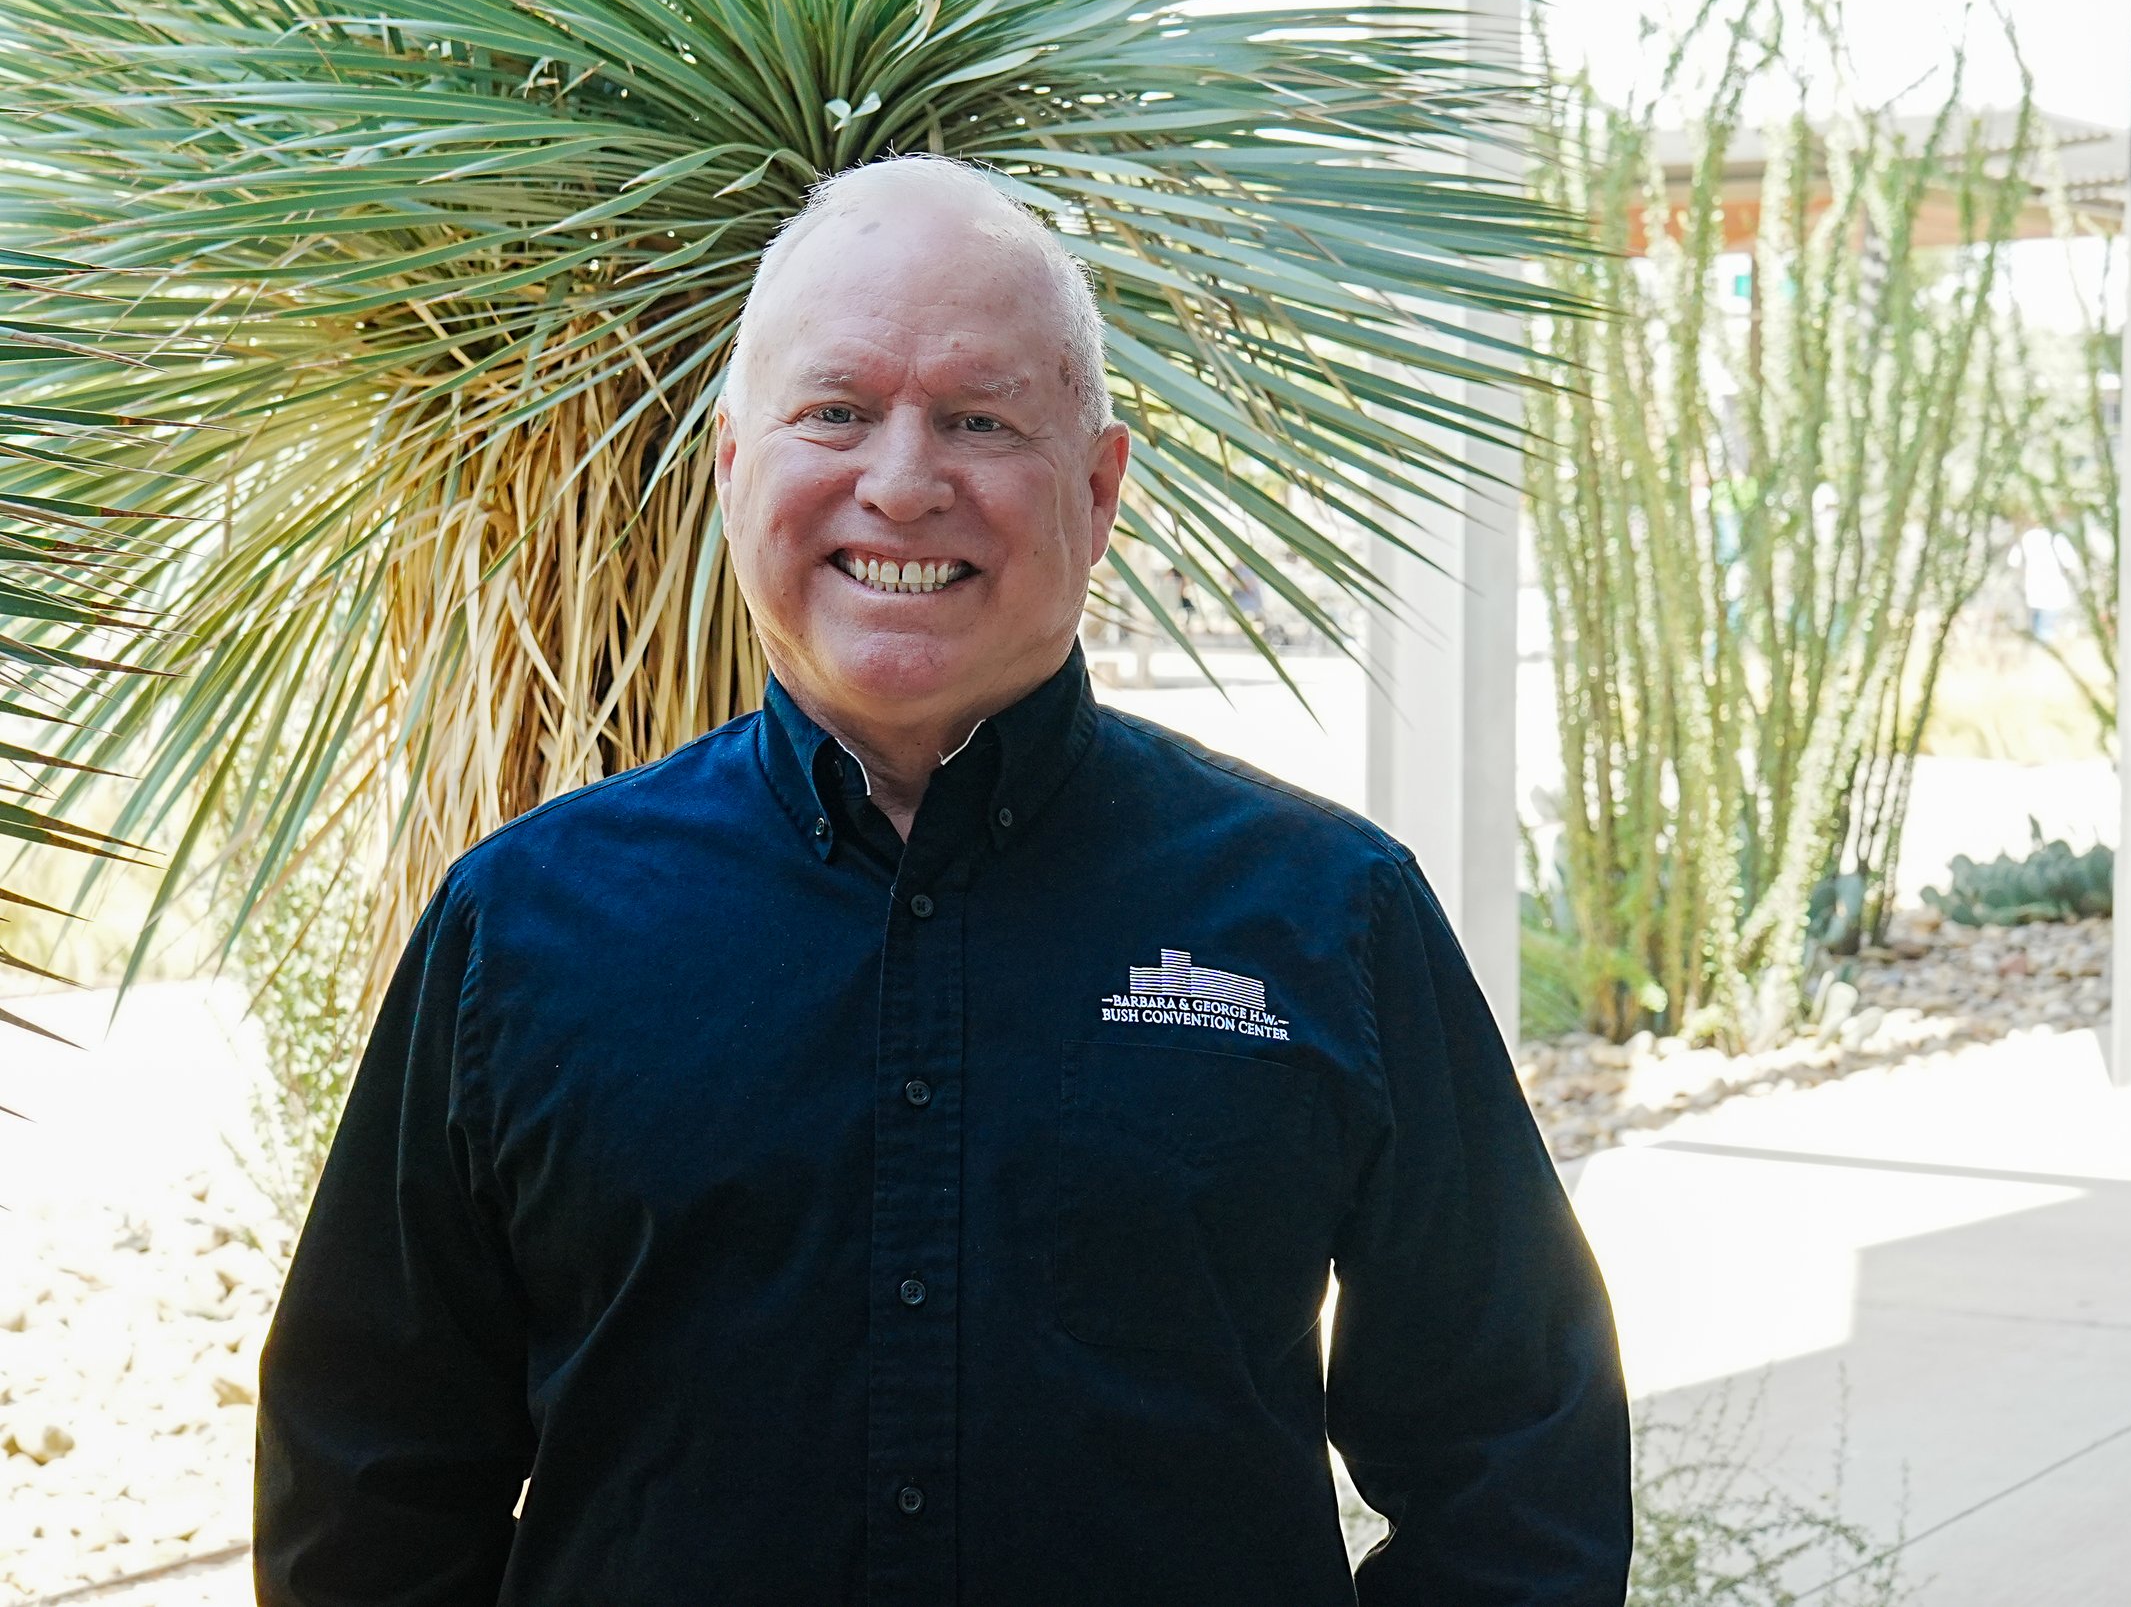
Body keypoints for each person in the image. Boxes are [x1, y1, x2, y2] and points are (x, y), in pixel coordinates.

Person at [255, 155, 1632, 1607]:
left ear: (1097, 490)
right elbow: (369, 1479)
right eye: (836, 413)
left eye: (981, 420)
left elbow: (1517, 1460)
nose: (904, 485)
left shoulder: (1327, 917)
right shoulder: (522, 928)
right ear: (735, 469)